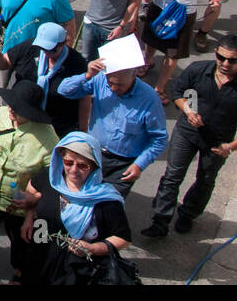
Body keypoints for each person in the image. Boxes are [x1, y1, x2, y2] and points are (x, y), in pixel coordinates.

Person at [143, 34, 237, 238]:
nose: (225, 64)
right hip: (187, 133)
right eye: (221, 58)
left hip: (218, 142)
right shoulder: (199, 70)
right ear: (216, 53)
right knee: (172, 176)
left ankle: (188, 214)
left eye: (232, 60)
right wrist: (189, 111)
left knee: (205, 180)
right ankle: (160, 220)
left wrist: (231, 146)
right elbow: (179, 92)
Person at [0, 81, 58, 285]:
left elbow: (52, 179)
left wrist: (33, 202)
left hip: (19, 203)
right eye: (11, 105)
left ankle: (18, 273)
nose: (11, 110)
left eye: (19, 109)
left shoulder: (48, 137)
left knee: (21, 242)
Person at [18, 133, 132, 286]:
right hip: (40, 256)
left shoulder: (106, 200)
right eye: (68, 162)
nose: (73, 170)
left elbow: (122, 238)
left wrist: (93, 248)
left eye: (82, 165)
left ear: (94, 166)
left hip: (77, 270)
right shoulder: (50, 177)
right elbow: (32, 190)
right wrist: (29, 217)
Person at [57, 55, 168, 198]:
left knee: (108, 207)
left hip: (122, 165)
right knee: (80, 197)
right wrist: (87, 75)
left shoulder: (149, 99)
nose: (114, 88)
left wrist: (139, 165)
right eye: (111, 83)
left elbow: (159, 139)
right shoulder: (100, 80)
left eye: (120, 85)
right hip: (93, 155)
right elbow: (64, 90)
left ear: (135, 73)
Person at [0, 21, 89, 136]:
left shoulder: (77, 63)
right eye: (43, 48)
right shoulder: (30, 48)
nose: (46, 53)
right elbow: (5, 63)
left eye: (51, 50)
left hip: (57, 126)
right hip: (22, 119)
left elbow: (84, 99)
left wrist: (83, 131)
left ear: (63, 44)